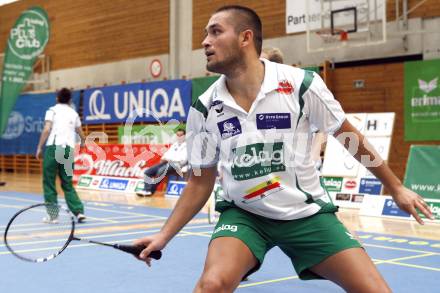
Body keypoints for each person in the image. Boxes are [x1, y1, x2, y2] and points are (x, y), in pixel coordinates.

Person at [134, 5, 433, 293]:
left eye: (215, 32)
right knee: (212, 285)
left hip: (306, 214)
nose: (205, 42)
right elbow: (200, 182)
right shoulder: (204, 107)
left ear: (245, 38)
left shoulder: (301, 85)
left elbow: (349, 137)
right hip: (245, 215)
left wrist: (395, 188)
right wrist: (164, 235)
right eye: (205, 34)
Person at [36, 88, 86, 223]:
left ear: (57, 98)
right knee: (67, 183)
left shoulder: (52, 110)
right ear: (70, 100)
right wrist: (82, 142)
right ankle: (79, 211)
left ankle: (53, 216)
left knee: (49, 182)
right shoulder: (74, 113)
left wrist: (39, 147)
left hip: (54, 148)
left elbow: (47, 129)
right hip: (68, 151)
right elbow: (80, 132)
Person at [138, 128, 188, 196]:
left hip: (177, 164)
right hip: (167, 162)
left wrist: (170, 159)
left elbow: (183, 160)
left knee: (161, 171)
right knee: (148, 172)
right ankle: (146, 189)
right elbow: (166, 155)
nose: (179, 137)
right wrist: (164, 158)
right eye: (178, 135)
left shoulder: (187, 145)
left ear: (185, 136)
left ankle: (149, 190)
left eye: (181, 135)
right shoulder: (174, 145)